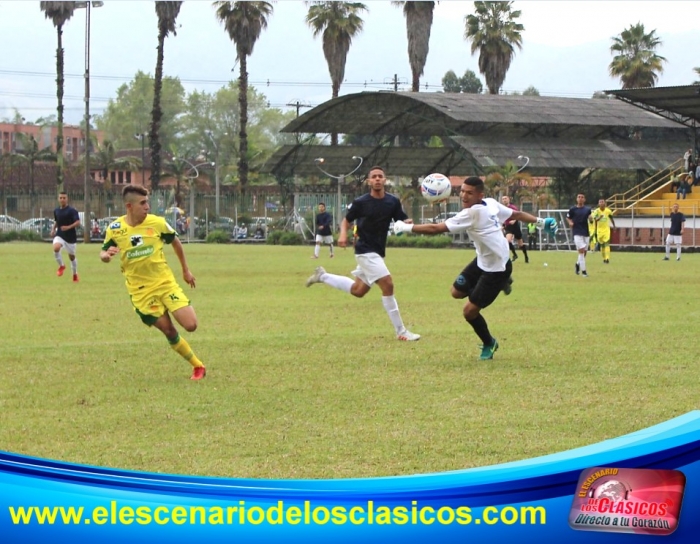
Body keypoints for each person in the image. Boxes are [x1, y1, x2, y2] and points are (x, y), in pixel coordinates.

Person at [393, 176, 550, 360]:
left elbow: (436, 229)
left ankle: (489, 343)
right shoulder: (490, 203)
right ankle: (495, 287)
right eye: (462, 191)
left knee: (469, 312)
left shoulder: (472, 214)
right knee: (456, 292)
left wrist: (405, 228)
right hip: (483, 261)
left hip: (497, 269)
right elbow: (514, 215)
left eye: (469, 193)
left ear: (479, 195)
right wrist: (540, 221)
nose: (464, 196)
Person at [100, 185, 206, 380]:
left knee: (191, 325)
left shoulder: (157, 223)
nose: (147, 206)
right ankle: (198, 366)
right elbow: (104, 251)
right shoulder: (115, 229)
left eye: (147, 201)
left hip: (165, 283)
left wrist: (185, 270)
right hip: (141, 292)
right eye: (143, 203)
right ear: (129, 206)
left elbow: (175, 241)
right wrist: (106, 256)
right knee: (169, 330)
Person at [305, 165, 419, 342]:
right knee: (387, 284)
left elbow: (401, 219)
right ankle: (401, 331)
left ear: (384, 179)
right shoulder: (361, 202)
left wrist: (407, 222)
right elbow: (346, 220)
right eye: (373, 176)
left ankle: (322, 276)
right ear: (369, 181)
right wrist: (343, 233)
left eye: (380, 176)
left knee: (358, 290)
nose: (377, 179)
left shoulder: (392, 201)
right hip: (364, 250)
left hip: (377, 251)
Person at [51, 192, 81, 282]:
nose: (62, 199)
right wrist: (53, 229)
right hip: (60, 234)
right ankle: (61, 266)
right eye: (60, 198)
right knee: (56, 248)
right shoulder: (56, 211)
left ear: (67, 199)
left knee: (71, 257)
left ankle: (75, 274)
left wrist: (68, 227)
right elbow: (57, 221)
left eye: (64, 198)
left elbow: (78, 222)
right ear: (58, 199)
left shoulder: (72, 211)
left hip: (70, 237)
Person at [567, 193, 592, 277]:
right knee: (581, 251)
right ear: (576, 199)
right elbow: (568, 217)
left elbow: (590, 217)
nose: (580, 198)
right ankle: (584, 272)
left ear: (584, 199)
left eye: (582, 197)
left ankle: (577, 264)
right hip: (577, 232)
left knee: (584, 252)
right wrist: (570, 222)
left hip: (585, 232)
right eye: (579, 197)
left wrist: (591, 219)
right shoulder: (572, 209)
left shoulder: (587, 209)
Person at [500, 195, 529, 263]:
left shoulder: (512, 207)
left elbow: (518, 215)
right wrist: (503, 226)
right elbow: (504, 218)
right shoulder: (502, 208)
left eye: (505, 198)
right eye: (503, 199)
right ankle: (515, 255)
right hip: (508, 226)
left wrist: (514, 220)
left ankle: (526, 257)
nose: (504, 200)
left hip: (515, 226)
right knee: (508, 241)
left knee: (520, 244)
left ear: (509, 199)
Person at [591, 198, 616, 264]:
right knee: (602, 245)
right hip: (599, 231)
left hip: (606, 230)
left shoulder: (608, 211)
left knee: (607, 243)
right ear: (598, 204)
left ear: (605, 203)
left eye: (602, 202)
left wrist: (614, 226)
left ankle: (607, 258)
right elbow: (594, 219)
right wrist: (599, 218)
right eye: (600, 202)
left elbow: (611, 218)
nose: (601, 203)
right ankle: (604, 258)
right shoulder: (596, 211)